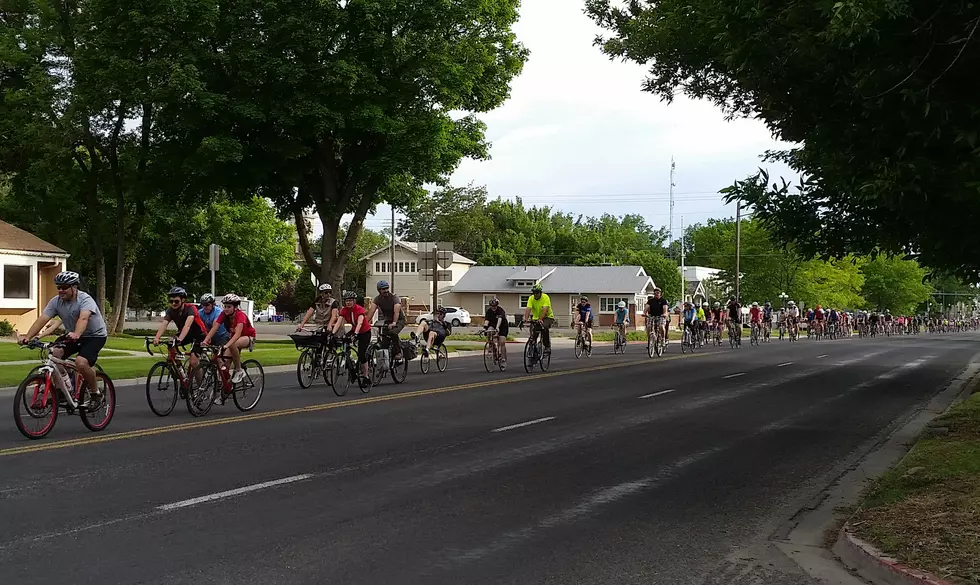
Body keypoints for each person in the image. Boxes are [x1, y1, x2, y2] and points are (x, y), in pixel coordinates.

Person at [17, 271, 107, 406]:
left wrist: (77, 333)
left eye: (64, 287)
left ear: (74, 287)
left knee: (81, 362)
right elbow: (42, 319)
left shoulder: (85, 300)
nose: (60, 290)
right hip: (73, 334)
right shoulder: (56, 302)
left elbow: (83, 318)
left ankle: (95, 394)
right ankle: (62, 391)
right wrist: (28, 337)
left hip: (94, 336)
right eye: (58, 287)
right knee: (54, 354)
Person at [203, 293, 256, 399]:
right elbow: (214, 327)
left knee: (233, 344)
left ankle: (239, 370)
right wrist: (205, 340)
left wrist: (226, 345)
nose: (226, 309)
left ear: (235, 307)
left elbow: (237, 334)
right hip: (233, 340)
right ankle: (226, 390)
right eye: (225, 306)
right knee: (224, 367)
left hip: (248, 337)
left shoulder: (240, 315)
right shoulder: (223, 314)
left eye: (229, 307)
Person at [153, 286, 208, 371]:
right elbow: (164, 324)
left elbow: (187, 325)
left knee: (193, 362)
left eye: (176, 301)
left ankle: (201, 383)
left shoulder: (190, 308)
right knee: (171, 341)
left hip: (199, 335)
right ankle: (180, 370)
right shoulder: (170, 310)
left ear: (183, 300)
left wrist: (180, 339)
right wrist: (157, 337)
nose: (173, 303)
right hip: (186, 334)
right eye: (171, 301)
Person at [332, 291, 371, 384]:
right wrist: (333, 333)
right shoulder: (344, 310)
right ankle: (351, 367)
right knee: (345, 341)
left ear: (354, 301)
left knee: (361, 354)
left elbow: (360, 323)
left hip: (364, 332)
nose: (348, 302)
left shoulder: (359, 309)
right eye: (346, 301)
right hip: (354, 330)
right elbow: (339, 322)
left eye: (350, 300)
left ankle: (366, 376)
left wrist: (356, 334)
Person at [366, 280, 405, 361]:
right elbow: (371, 311)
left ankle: (398, 352)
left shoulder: (394, 297)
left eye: (387, 288)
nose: (386, 290)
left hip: (399, 319)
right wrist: (365, 323)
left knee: (393, 332)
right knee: (384, 340)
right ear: (379, 290)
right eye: (383, 289)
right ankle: (386, 360)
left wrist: (394, 322)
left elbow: (396, 311)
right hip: (388, 320)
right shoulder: (377, 299)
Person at [523, 283, 555, 355]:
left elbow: (545, 309)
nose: (535, 294)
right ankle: (532, 347)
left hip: (547, 317)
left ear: (540, 292)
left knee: (544, 328)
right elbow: (528, 308)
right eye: (534, 292)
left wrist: (541, 319)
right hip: (536, 317)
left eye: (537, 292)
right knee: (533, 333)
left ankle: (547, 346)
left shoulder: (545, 297)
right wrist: (526, 318)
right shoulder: (531, 298)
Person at [483, 297, 509, 369]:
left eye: (495, 306)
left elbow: (500, 320)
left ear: (497, 305)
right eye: (492, 306)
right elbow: (487, 321)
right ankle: (491, 346)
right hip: (493, 325)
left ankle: (503, 359)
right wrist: (485, 327)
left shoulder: (500, 310)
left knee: (502, 342)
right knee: (489, 331)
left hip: (502, 326)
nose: (493, 307)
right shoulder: (489, 311)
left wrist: (497, 328)